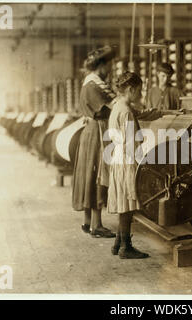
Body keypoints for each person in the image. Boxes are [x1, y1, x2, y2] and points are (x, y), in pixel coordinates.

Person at [72, 46, 116, 238]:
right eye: (109, 65)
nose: (111, 69)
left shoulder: (87, 83)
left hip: (89, 132)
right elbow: (114, 105)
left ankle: (88, 222)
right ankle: (97, 226)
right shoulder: (95, 85)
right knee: (99, 173)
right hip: (97, 133)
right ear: (101, 66)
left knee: (88, 173)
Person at [107, 72, 149, 259]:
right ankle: (126, 247)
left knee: (123, 201)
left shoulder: (117, 106)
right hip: (127, 160)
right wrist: (144, 162)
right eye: (139, 91)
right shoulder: (127, 112)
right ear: (131, 90)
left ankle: (118, 243)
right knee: (128, 204)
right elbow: (132, 143)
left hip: (118, 158)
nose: (140, 95)